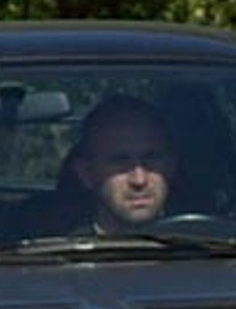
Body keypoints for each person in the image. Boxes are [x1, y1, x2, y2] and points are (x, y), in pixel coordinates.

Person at [64, 95, 179, 234]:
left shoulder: (203, 247)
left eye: (151, 160)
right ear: (87, 174)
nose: (139, 180)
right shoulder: (55, 252)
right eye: (121, 163)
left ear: (170, 166)